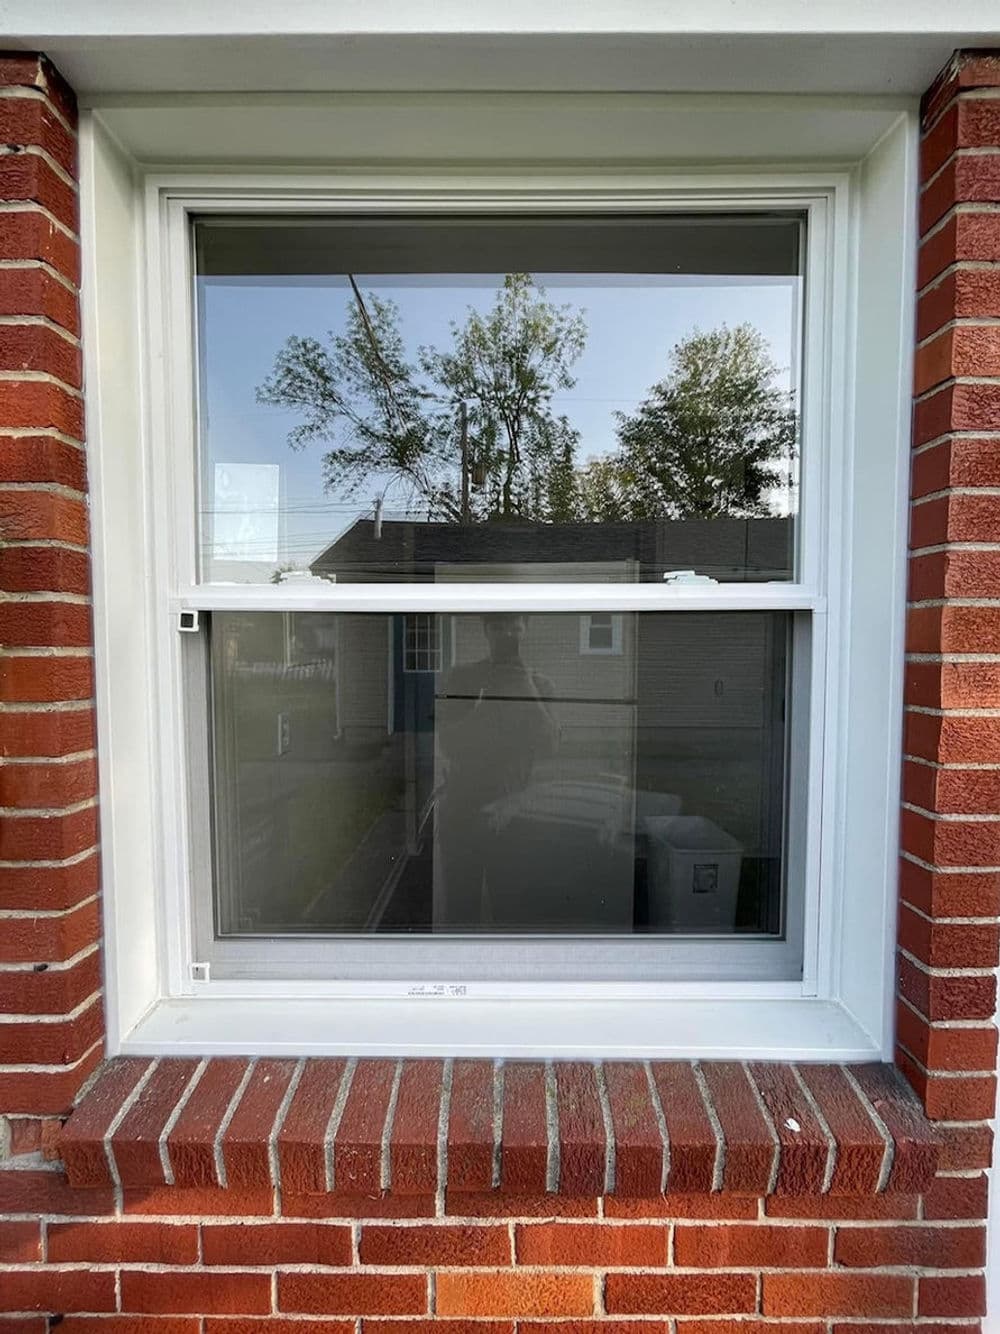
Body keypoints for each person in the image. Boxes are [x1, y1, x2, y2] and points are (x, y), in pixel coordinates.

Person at [434, 614, 556, 928]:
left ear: (526, 631)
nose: (507, 635)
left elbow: (549, 745)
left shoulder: (540, 683)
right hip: (462, 809)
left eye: (515, 627)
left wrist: (526, 687)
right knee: (461, 912)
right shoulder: (461, 677)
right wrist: (480, 708)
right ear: (487, 631)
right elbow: (448, 744)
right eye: (500, 627)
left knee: (512, 912)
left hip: (512, 812)